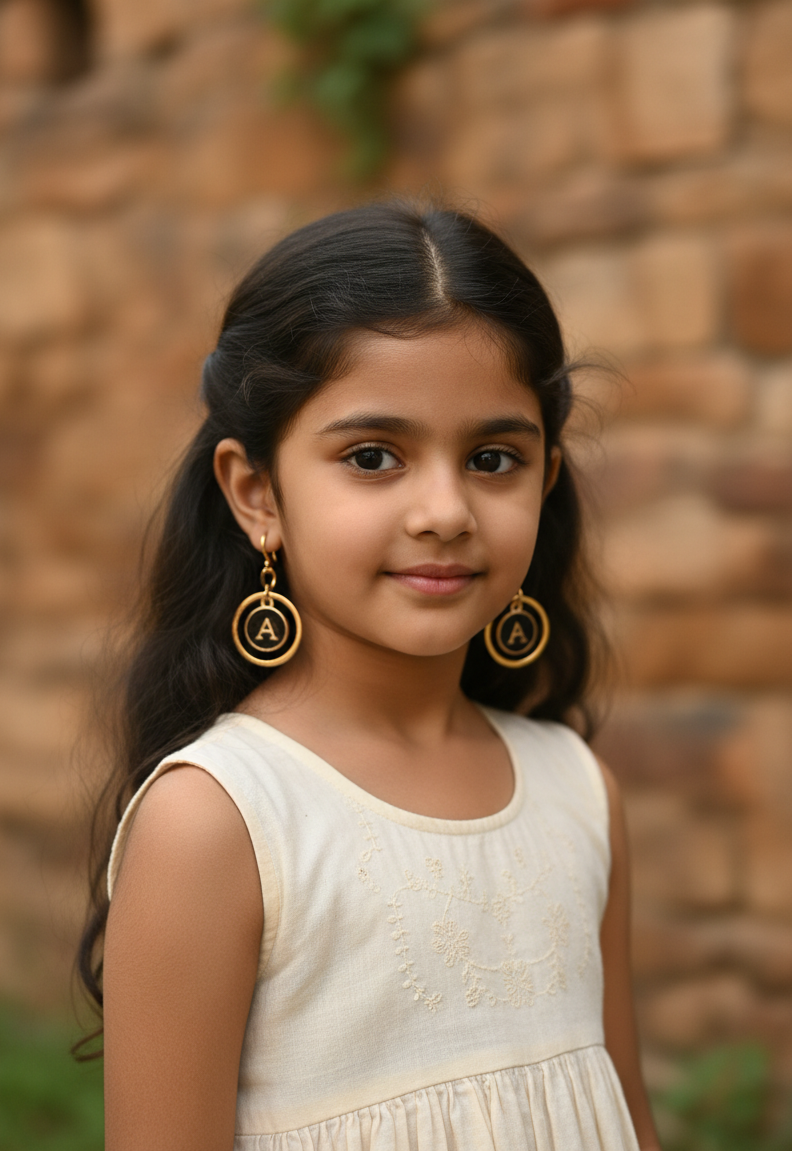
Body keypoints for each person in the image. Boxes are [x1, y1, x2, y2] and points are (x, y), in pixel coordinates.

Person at [79, 202, 661, 1151]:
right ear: (256, 493)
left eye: (492, 458)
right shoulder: (221, 821)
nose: (444, 510)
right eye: (373, 457)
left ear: (547, 477)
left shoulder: (578, 792)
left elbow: (623, 1117)